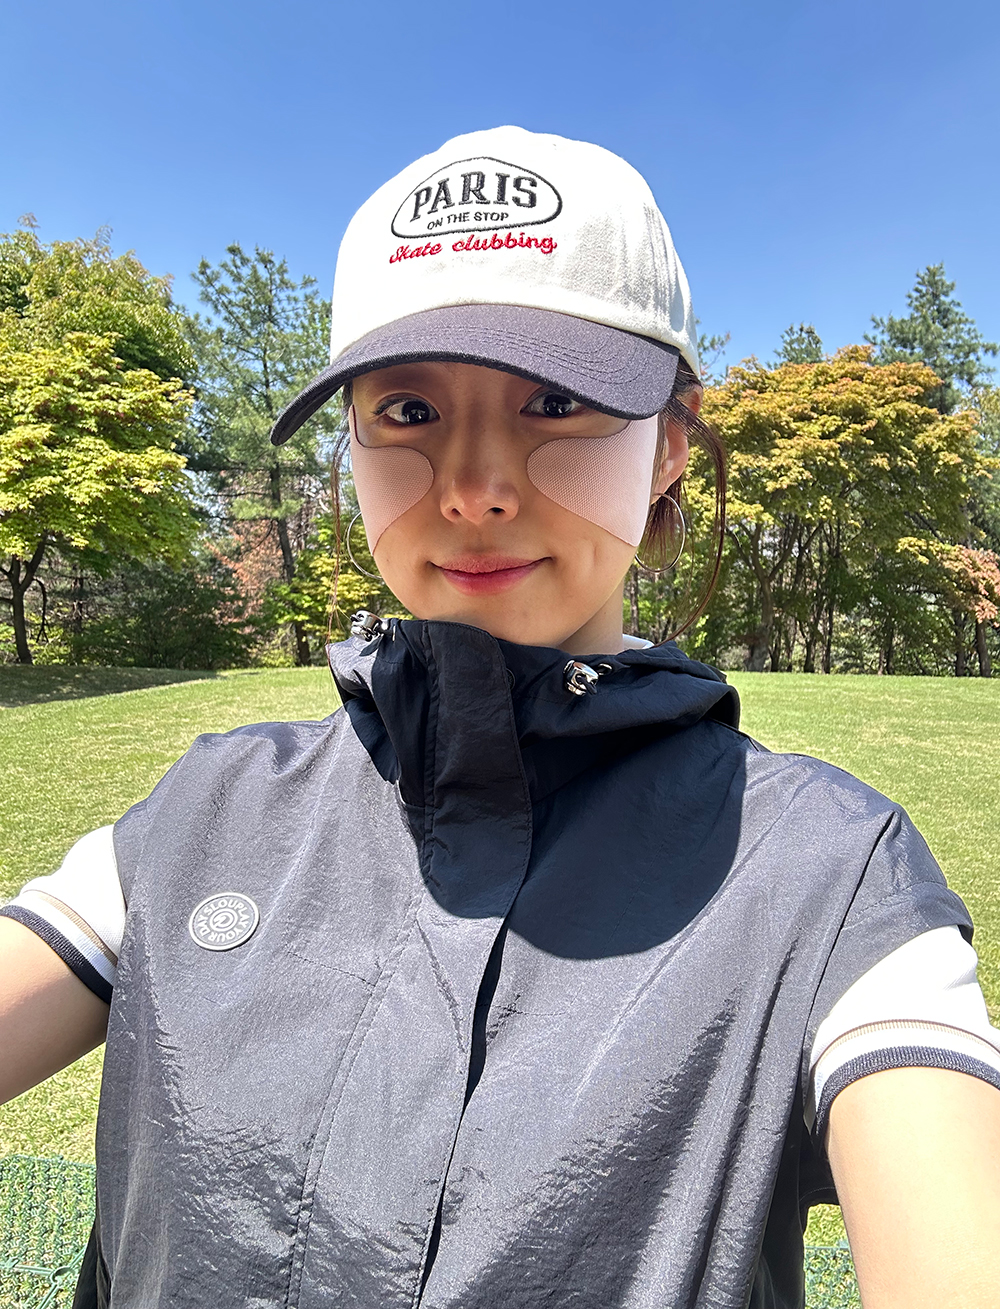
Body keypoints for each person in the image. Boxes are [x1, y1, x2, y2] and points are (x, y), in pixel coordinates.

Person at [2, 126, 999, 1309]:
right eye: (408, 407)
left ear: (670, 446)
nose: (474, 487)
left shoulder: (828, 878)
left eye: (555, 401)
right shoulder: (200, 815)